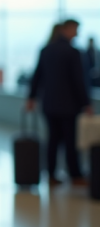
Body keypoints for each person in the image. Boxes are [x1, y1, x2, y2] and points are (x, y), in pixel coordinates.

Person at [27, 19, 94, 186]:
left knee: (53, 140)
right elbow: (79, 80)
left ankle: (51, 174)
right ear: (68, 29)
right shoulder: (73, 52)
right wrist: (86, 103)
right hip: (69, 106)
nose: (77, 33)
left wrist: (31, 97)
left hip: (49, 104)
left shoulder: (46, 50)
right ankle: (75, 175)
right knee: (71, 141)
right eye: (76, 29)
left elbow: (37, 76)